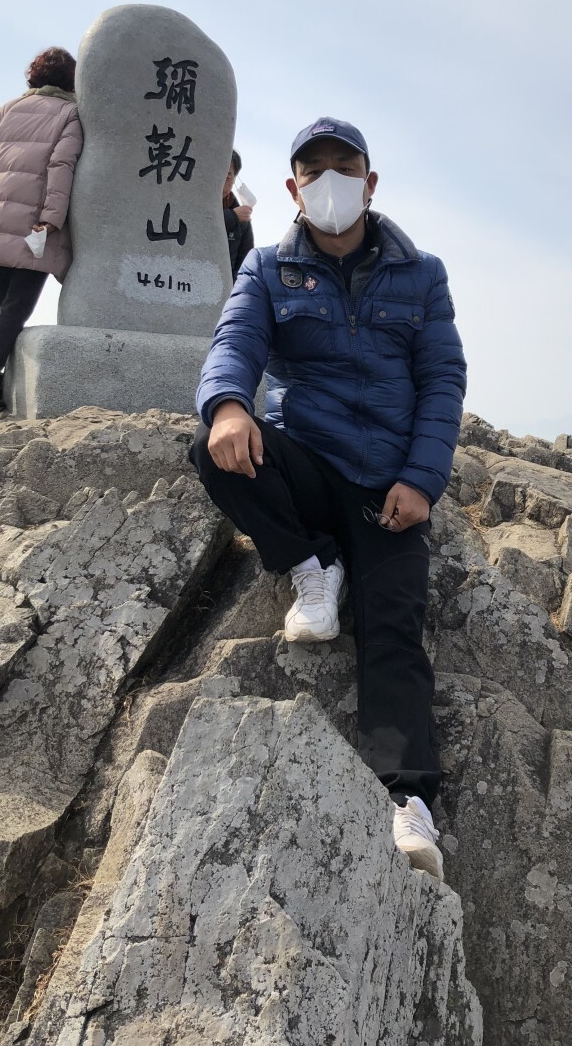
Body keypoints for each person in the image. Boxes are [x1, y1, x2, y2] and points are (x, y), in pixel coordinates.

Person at [190, 117, 466, 879]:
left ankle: (408, 801)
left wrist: (422, 480)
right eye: (314, 171)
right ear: (294, 188)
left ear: (370, 182)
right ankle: (312, 564)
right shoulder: (268, 268)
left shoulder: (422, 273)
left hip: (387, 486)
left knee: (393, 624)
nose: (330, 182)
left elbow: (442, 380)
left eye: (345, 166)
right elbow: (235, 342)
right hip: (308, 462)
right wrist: (229, 406)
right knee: (213, 449)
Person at [0, 47, 84, 412]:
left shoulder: (8, 108)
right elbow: (62, 165)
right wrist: (52, 218)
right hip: (33, 222)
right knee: (16, 307)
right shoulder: (70, 113)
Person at [222, 148, 255, 281]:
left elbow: (245, 265)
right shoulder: (193, 203)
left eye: (227, 176)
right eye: (217, 174)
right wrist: (232, 217)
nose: (221, 181)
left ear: (235, 178)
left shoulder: (243, 219)